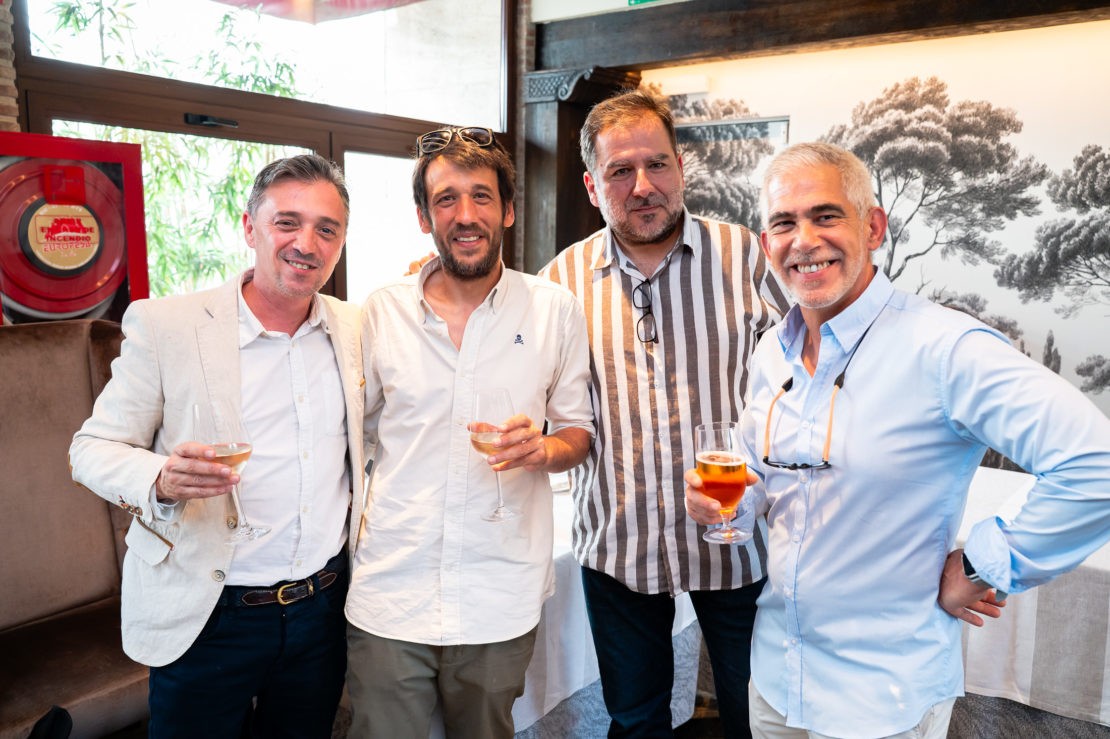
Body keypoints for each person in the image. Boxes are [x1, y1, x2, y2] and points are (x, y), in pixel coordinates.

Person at [685, 141, 1110, 738]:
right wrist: (726, 503)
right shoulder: (770, 353)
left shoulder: (945, 347)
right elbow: (762, 479)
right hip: (777, 680)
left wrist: (982, 565)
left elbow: (1097, 465)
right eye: (784, 223)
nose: (803, 240)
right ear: (766, 243)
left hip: (882, 701)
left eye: (825, 215)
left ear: (873, 227)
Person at [69, 154, 363, 739]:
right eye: (287, 222)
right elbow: (91, 448)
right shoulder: (167, 326)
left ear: (340, 242)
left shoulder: (356, 329)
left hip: (322, 609)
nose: (306, 243)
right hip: (208, 610)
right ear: (250, 227)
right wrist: (160, 478)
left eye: (326, 229)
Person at [540, 89, 790, 737]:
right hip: (618, 545)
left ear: (681, 167)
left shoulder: (748, 257)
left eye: (656, 164)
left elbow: (811, 374)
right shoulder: (559, 282)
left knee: (758, 716)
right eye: (620, 171)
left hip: (738, 539)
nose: (643, 185)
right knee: (635, 720)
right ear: (593, 187)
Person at [344, 126, 594, 739]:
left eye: (481, 196)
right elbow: (353, 437)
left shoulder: (553, 309)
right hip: (392, 589)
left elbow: (577, 433)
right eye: (446, 199)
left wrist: (543, 448)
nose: (465, 215)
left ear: (507, 210)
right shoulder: (381, 312)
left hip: (498, 589)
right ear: (423, 217)